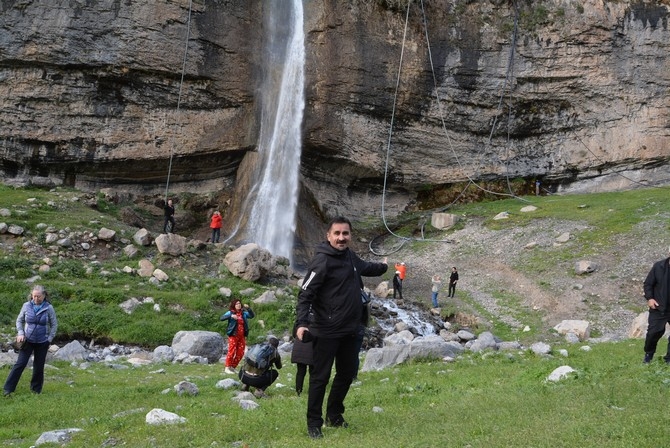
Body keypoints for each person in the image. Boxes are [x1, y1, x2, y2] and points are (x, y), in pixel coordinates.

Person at [295, 216, 388, 439]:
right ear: (328, 236)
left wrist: (384, 266)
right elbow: (305, 293)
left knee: (346, 374)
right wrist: (301, 323)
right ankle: (314, 423)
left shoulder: (350, 257)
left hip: (351, 330)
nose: (341, 238)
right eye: (336, 233)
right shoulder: (322, 262)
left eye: (345, 233)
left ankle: (334, 415)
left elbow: (367, 267)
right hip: (325, 331)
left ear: (350, 236)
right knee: (320, 378)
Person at [3, 285, 58, 396]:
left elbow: (54, 324)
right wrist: (20, 333)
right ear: (31, 296)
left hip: (43, 342)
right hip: (27, 341)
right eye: (34, 296)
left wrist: (49, 339)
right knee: (20, 364)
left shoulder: (49, 308)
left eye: (38, 296)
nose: (36, 299)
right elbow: (19, 320)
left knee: (39, 366)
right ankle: (8, 389)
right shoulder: (26, 306)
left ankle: (36, 390)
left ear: (44, 295)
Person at [642, 247, 670, 364]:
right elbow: (648, 284)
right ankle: (649, 354)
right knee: (654, 332)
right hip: (659, 307)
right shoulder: (659, 266)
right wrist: (650, 298)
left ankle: (669, 359)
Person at [220, 299, 254, 374]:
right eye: (236, 304)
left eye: (239, 303)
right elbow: (222, 318)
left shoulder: (243, 313)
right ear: (233, 305)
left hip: (242, 336)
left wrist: (248, 308)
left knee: (240, 353)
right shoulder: (230, 312)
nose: (238, 305)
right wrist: (231, 316)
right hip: (233, 335)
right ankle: (227, 367)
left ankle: (232, 367)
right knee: (231, 351)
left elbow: (252, 316)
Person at [291, 322, 313, 396]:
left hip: (299, 348)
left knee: (300, 372)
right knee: (313, 372)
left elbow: (294, 334)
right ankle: (312, 391)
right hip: (312, 349)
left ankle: (298, 391)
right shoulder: (317, 319)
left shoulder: (300, 320)